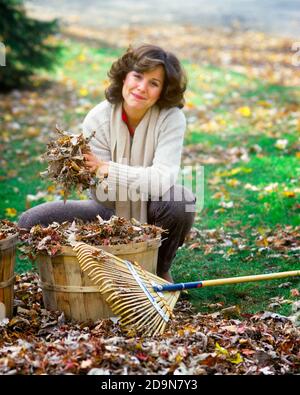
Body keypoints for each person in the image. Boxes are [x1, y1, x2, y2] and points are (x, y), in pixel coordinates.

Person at [18, 44, 196, 282]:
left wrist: (107, 168)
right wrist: (95, 172)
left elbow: (163, 180)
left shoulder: (172, 119)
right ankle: (70, 276)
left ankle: (158, 269)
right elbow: (105, 194)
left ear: (163, 91)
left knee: (180, 200)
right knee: (29, 222)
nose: (141, 88)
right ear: (124, 77)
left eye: (154, 83)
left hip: (154, 207)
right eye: (137, 76)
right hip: (106, 209)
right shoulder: (98, 118)